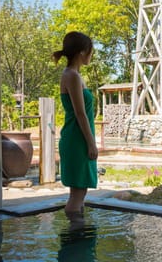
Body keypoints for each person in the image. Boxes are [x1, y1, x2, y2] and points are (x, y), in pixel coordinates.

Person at [52, 31, 99, 215]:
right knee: (77, 195)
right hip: (77, 139)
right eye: (90, 51)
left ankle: (78, 236)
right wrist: (91, 143)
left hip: (79, 138)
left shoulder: (75, 75)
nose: (91, 55)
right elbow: (80, 113)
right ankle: (74, 240)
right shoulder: (71, 75)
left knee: (80, 192)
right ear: (82, 52)